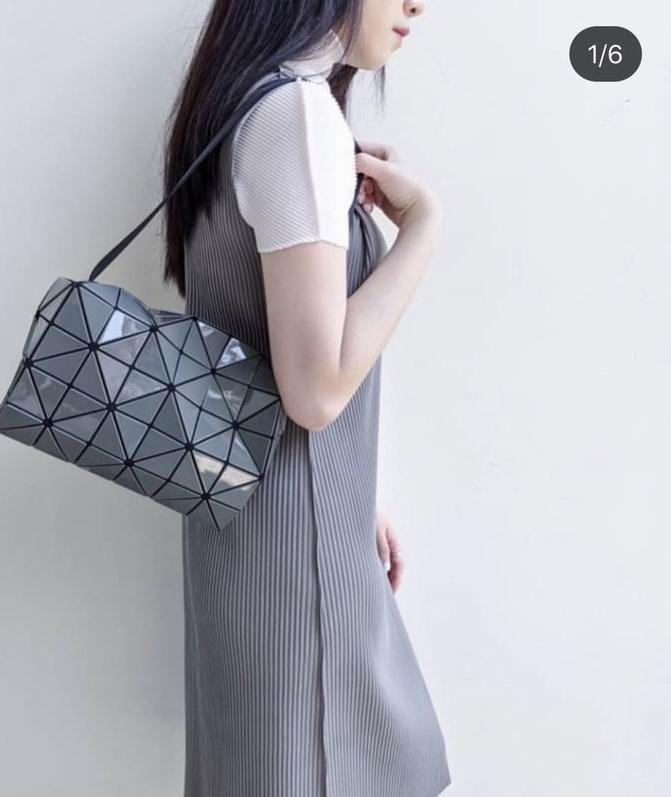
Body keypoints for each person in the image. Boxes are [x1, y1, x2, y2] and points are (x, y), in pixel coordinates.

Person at [161, 1, 449, 794]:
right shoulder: (296, 115)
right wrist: (422, 227)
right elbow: (317, 390)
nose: (418, 4)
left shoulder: (247, 104)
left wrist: (350, 485)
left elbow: (256, 347)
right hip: (294, 559)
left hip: (254, 528)